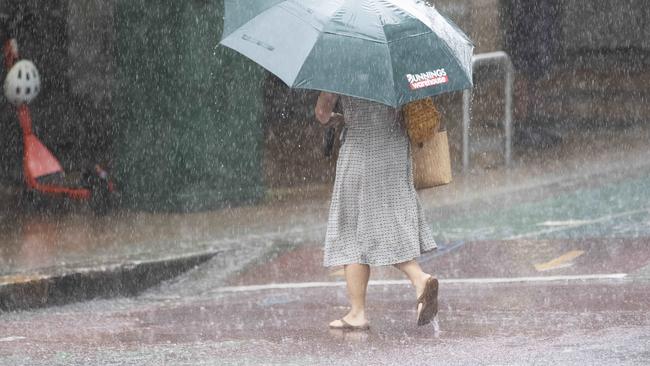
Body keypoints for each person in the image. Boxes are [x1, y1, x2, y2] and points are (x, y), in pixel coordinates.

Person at [315, 92, 438, 330]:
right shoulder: (398, 66)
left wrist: (338, 117)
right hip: (394, 151)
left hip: (361, 153)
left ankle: (417, 280)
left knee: (350, 231)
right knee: (387, 222)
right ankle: (360, 310)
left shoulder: (342, 66)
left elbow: (322, 113)